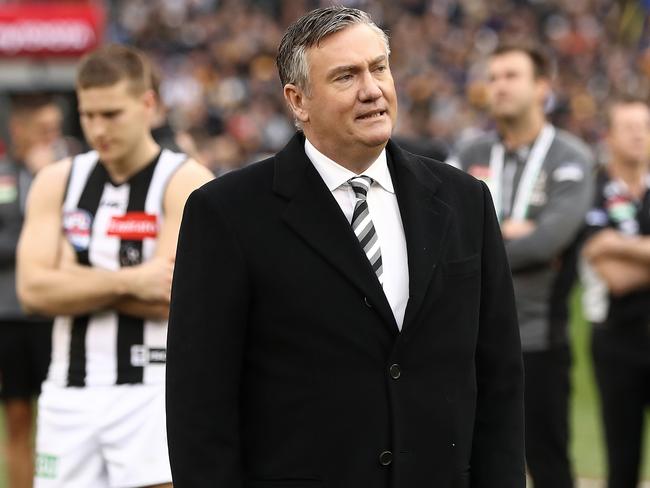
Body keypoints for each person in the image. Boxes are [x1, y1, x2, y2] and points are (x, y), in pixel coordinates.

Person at [166, 6, 524, 487]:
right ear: (298, 101)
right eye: (345, 76)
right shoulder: (227, 213)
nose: (372, 89)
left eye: (379, 67)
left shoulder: (464, 200)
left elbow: (499, 378)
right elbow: (199, 405)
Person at [15, 45, 213, 488]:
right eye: (87, 116)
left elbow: (170, 297)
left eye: (111, 114)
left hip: (153, 387)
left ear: (147, 104)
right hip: (68, 391)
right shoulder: (57, 180)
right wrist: (132, 279)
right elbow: (32, 291)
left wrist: (73, 275)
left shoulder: (186, 179)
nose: (97, 129)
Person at [448, 43, 595, 488]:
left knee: (548, 466)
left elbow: (551, 239)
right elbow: (442, 232)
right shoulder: (470, 149)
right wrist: (511, 231)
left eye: (511, 76)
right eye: (492, 78)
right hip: (466, 343)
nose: (498, 87)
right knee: (467, 466)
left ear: (542, 88)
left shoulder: (570, 157)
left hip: (537, 341)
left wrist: (484, 239)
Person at [580, 96, 650, 488]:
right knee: (622, 459)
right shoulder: (593, 191)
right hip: (616, 340)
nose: (640, 134)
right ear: (608, 136)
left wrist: (617, 243)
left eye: (645, 125)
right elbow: (616, 279)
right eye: (629, 127)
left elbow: (614, 257)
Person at [0, 94, 66, 488]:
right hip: (9, 318)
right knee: (18, 418)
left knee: (60, 417)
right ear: (20, 131)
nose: (51, 139)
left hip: (54, 314)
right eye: (44, 131)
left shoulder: (68, 176)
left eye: (55, 131)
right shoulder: (4, 176)